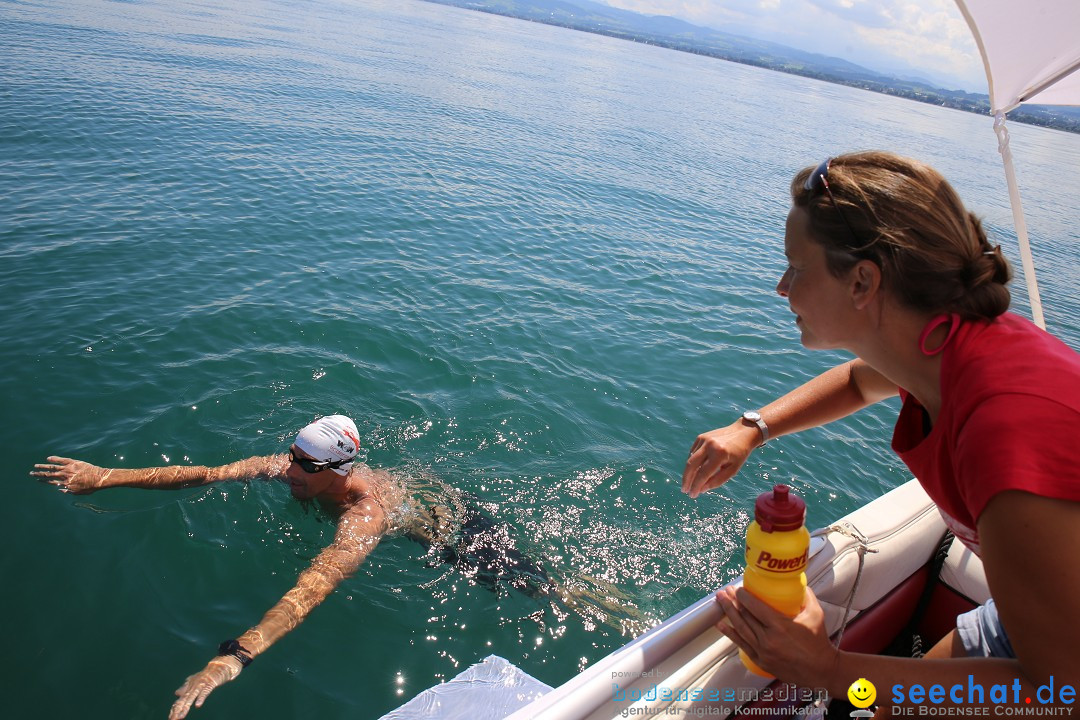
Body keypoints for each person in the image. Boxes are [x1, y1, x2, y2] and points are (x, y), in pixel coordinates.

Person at [681, 152, 1080, 709]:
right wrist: (754, 427)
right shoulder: (944, 346)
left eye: (797, 268)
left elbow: (1059, 689)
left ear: (863, 281)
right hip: (1035, 619)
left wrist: (828, 667)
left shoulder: (1005, 435)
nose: (780, 287)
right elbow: (857, 382)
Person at [33, 414, 616, 719]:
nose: (288, 472)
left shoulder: (363, 517)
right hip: (430, 500)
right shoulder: (297, 466)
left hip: (463, 536)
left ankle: (623, 611)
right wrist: (106, 476)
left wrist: (231, 659)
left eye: (303, 467)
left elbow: (312, 587)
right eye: (289, 458)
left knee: (552, 590)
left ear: (336, 472)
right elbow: (207, 473)